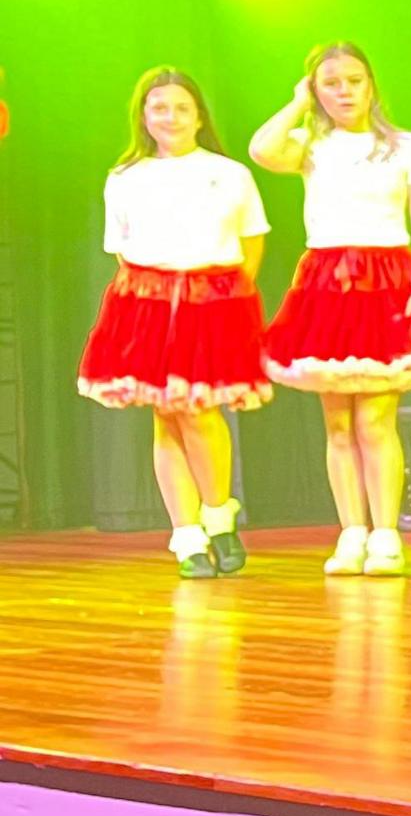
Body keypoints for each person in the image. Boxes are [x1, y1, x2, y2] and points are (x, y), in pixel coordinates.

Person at [253, 43, 411, 577]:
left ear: (372, 85)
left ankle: (386, 533)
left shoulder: (406, 147)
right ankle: (351, 531)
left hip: (387, 280)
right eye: (331, 82)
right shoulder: (310, 144)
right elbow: (261, 150)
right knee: (338, 422)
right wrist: (298, 100)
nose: (344, 91)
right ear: (317, 89)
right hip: (326, 285)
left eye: (354, 80)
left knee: (376, 418)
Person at [77, 67, 272, 578]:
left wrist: (219, 298)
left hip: (214, 301)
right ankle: (186, 537)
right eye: (160, 107)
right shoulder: (125, 176)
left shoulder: (229, 174)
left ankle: (219, 517)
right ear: (143, 116)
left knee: (201, 412)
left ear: (199, 115)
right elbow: (121, 250)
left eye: (182, 108)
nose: (171, 117)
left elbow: (251, 244)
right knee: (165, 415)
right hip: (146, 303)